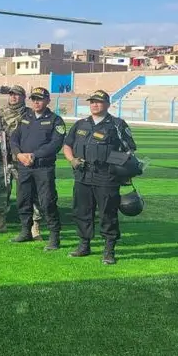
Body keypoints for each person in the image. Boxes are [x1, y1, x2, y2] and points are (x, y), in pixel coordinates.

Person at [62, 89, 138, 264]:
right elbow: (67, 145)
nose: (94, 104)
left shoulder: (117, 124)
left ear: (107, 105)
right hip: (82, 175)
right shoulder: (81, 124)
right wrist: (71, 160)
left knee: (107, 213)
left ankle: (109, 250)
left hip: (106, 177)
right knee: (82, 212)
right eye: (92, 102)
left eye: (99, 102)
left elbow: (129, 149)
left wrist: (113, 164)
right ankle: (83, 245)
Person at [9, 87, 66, 250]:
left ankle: (54, 237)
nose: (36, 102)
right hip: (24, 166)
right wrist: (19, 154)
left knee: (47, 202)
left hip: (43, 168)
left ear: (48, 101)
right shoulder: (25, 117)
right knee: (23, 200)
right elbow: (14, 138)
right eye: (33, 98)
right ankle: (26, 231)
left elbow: (55, 144)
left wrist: (34, 155)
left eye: (39, 99)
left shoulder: (56, 120)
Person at [0, 86, 43, 237]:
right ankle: (0, 222)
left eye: (17, 95)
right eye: (11, 94)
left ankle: (34, 225)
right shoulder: (0, 113)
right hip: (4, 157)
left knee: (29, 191)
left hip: (23, 159)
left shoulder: (30, 114)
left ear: (23, 97)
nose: (13, 97)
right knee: (0, 189)